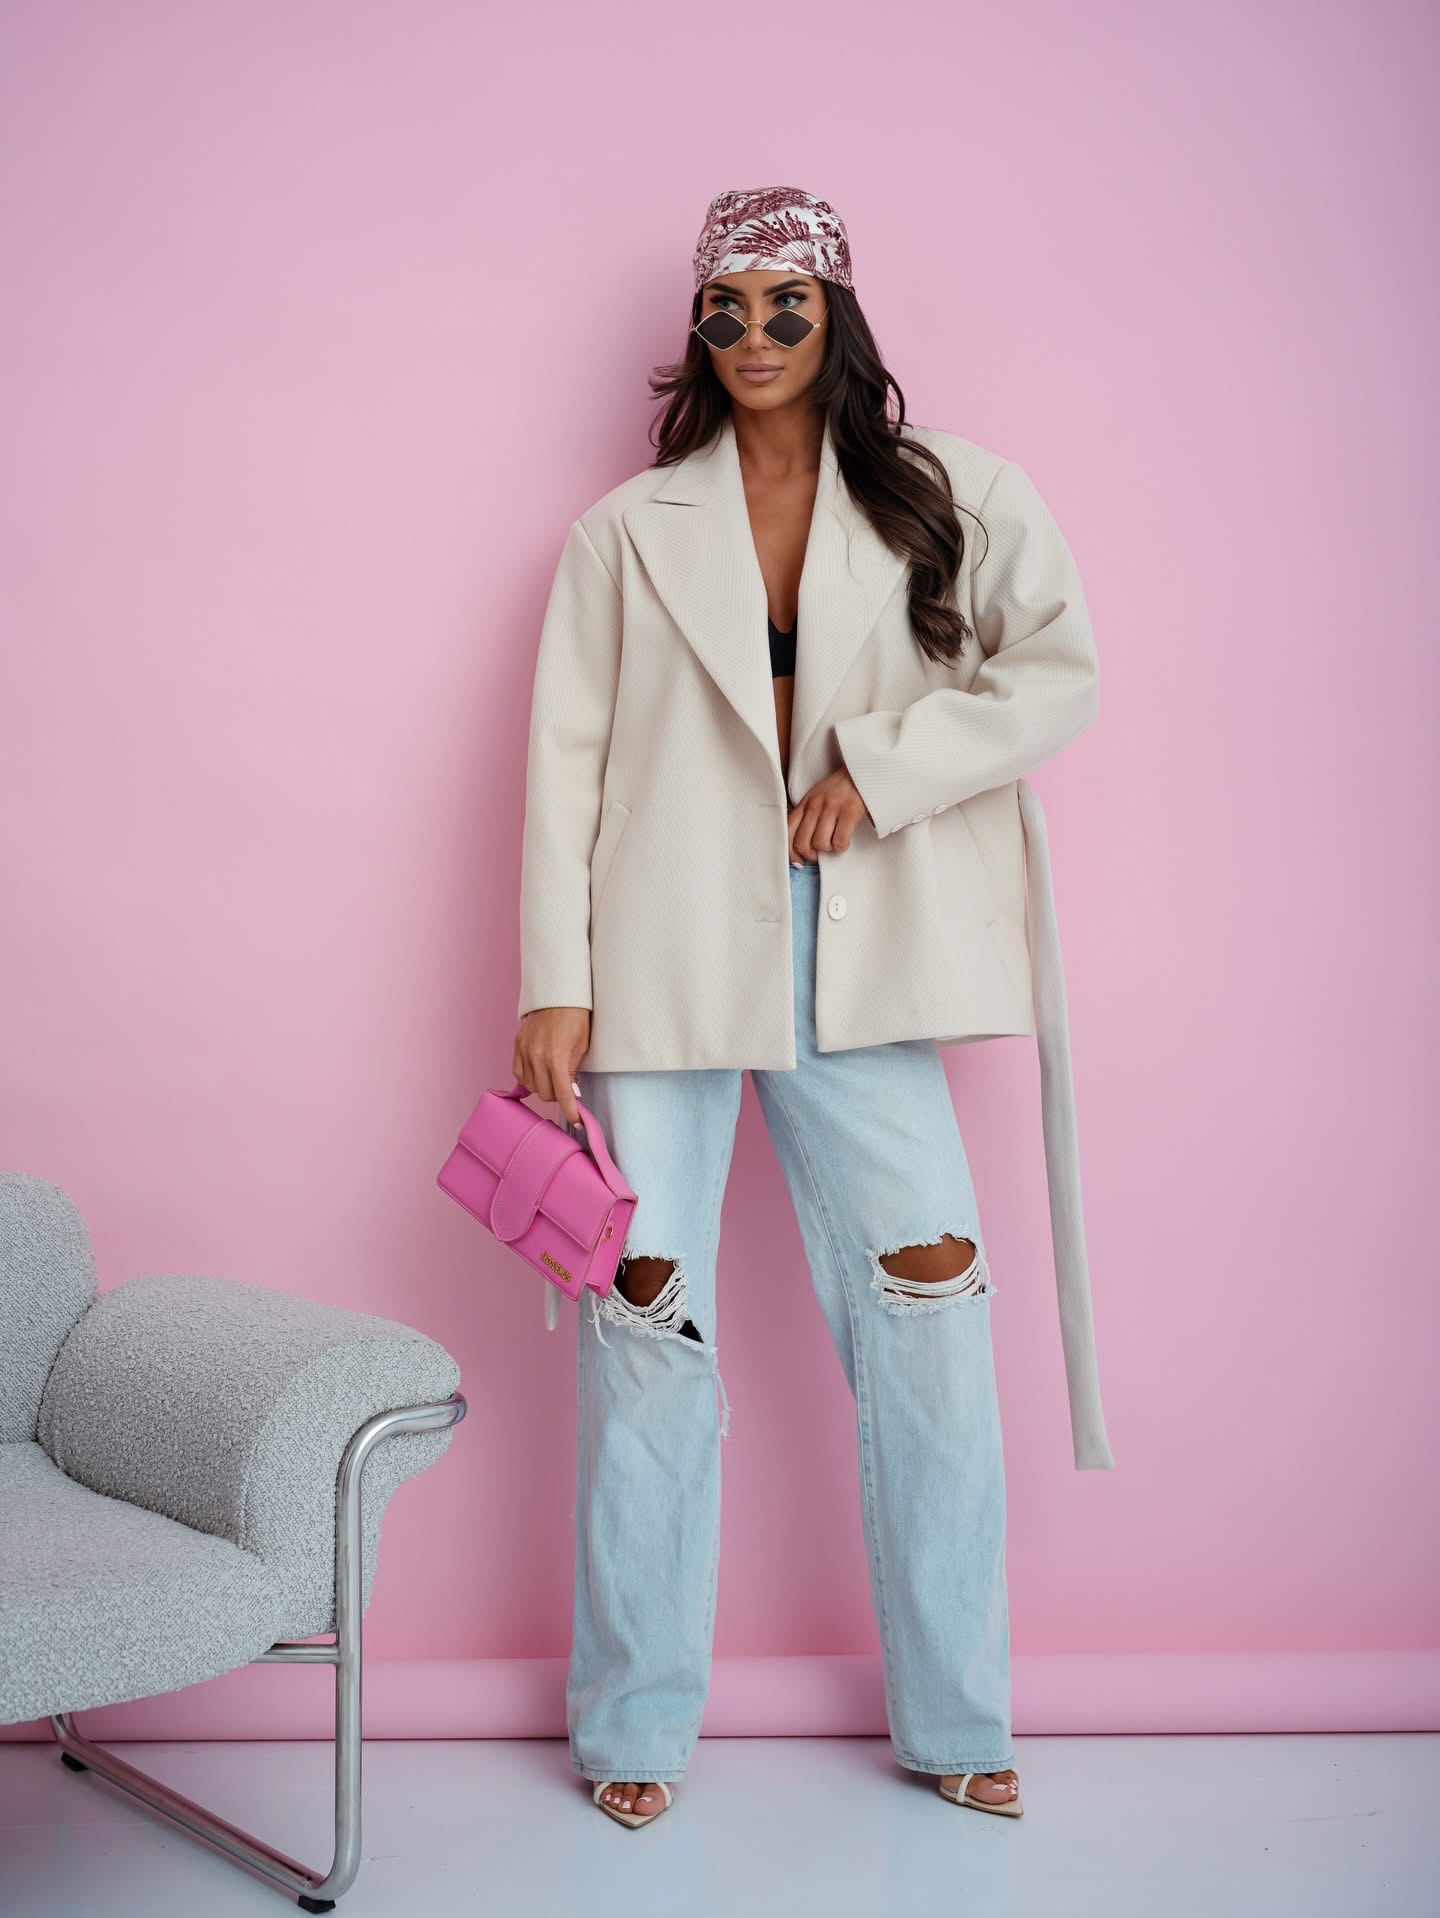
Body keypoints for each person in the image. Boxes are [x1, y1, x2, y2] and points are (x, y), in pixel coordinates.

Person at [512, 184, 1115, 1830]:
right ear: (697, 327)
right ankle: (633, 1723)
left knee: (931, 1313)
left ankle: (960, 1709)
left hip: (867, 942)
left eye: (789, 303)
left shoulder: (953, 495)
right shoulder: (624, 534)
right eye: (728, 305)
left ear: (838, 312)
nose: (758, 333)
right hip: (661, 951)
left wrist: (883, 767)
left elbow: (1055, 670)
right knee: (645, 1323)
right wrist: (553, 982)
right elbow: (566, 764)